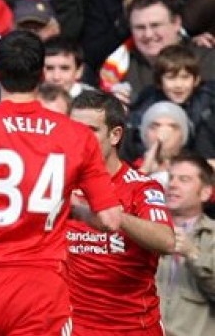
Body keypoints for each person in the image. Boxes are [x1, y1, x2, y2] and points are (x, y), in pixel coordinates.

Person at [0, 31, 123, 335]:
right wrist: (71, 209)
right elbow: (111, 220)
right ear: (43, 74)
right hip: (43, 286)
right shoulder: (77, 135)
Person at [66, 90, 175, 335]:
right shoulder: (60, 184)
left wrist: (115, 217)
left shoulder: (141, 188)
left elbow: (167, 241)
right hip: (74, 327)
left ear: (115, 135)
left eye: (91, 130)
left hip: (133, 327)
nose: (80, 139)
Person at [156, 152, 215, 335]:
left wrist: (193, 254)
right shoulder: (147, 229)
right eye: (171, 178)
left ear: (205, 192)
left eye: (184, 179)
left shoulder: (212, 235)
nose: (172, 184)